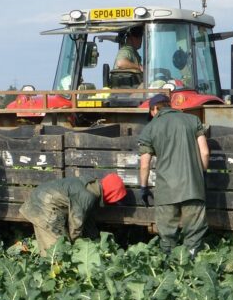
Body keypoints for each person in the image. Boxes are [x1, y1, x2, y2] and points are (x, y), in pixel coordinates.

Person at [138, 94, 209, 257]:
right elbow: (205, 152)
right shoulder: (192, 120)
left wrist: (143, 187)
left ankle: (169, 266)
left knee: (167, 237)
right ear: (169, 105)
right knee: (194, 233)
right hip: (192, 187)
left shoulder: (150, 128)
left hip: (166, 190)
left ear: (154, 109)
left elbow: (144, 164)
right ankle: (190, 264)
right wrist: (202, 175)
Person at [19, 174, 127, 257]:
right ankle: (53, 280)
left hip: (41, 199)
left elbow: (87, 220)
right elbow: (76, 225)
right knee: (58, 251)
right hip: (45, 207)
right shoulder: (87, 197)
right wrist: (79, 246)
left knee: (51, 246)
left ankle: (22, 248)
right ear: (111, 194)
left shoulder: (89, 185)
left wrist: (95, 238)